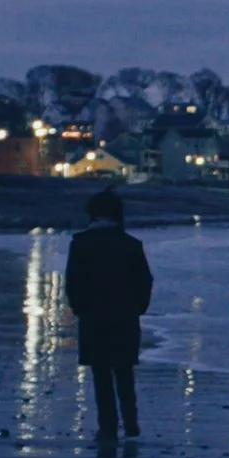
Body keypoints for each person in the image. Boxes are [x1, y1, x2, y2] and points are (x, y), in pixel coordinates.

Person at [64, 186, 153, 441]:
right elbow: (145, 280)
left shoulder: (81, 243)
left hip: (93, 316)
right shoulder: (131, 245)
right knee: (124, 372)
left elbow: (73, 281)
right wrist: (138, 308)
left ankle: (108, 426)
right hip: (125, 316)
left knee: (101, 374)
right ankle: (131, 423)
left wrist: (79, 308)